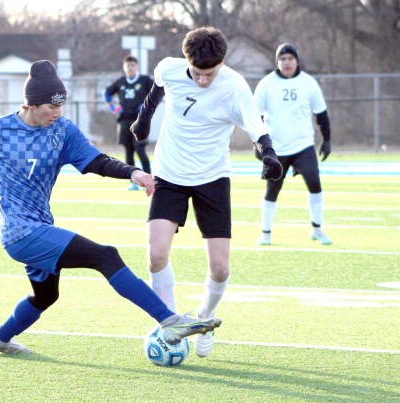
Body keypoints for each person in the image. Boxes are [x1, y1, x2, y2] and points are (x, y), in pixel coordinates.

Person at [0, 60, 221, 354]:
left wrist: (132, 172)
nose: (58, 113)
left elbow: (97, 161)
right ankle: (169, 320)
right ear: (31, 104)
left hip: (40, 226)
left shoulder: (62, 131)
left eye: (62, 106)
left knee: (46, 296)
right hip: (19, 232)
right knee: (105, 256)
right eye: (51, 106)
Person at [130, 27, 283, 358]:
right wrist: (143, 122)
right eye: (197, 74)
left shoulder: (235, 86)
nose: (202, 80)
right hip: (169, 173)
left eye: (209, 74)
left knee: (219, 268)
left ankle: (205, 315)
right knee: (156, 253)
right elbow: (156, 90)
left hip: (212, 178)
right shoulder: (170, 67)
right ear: (187, 62)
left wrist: (269, 154)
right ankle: (171, 323)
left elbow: (257, 128)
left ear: (222, 63)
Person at [253, 43, 332, 246]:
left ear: (296, 60)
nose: (286, 63)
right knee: (272, 189)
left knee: (314, 182)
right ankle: (266, 233)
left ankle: (317, 229)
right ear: (277, 62)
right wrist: (258, 144)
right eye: (283, 59)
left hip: (303, 145)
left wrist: (327, 139)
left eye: (290, 58)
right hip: (276, 147)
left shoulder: (308, 83)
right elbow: (255, 117)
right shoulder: (266, 84)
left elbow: (321, 113)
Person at [103, 55, 154, 190]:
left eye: (132, 65)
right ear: (124, 67)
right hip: (124, 121)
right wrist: (112, 106)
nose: (130, 68)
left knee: (140, 150)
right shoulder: (120, 82)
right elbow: (106, 93)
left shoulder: (144, 81)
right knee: (128, 151)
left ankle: (148, 180)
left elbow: (157, 91)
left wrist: (147, 106)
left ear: (136, 66)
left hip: (140, 121)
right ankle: (133, 182)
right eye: (128, 66)